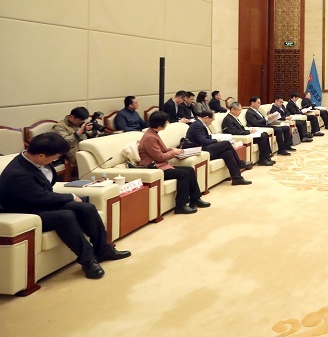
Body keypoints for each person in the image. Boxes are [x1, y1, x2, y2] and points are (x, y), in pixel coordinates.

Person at [0, 132, 131, 279]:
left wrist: (70, 198)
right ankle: (88, 260)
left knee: (87, 208)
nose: (56, 160)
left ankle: (103, 249)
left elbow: (44, 192)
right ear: (41, 155)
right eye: (55, 157)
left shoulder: (36, 160)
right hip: (25, 211)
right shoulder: (17, 173)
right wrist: (70, 196)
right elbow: (40, 197)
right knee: (65, 216)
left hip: (40, 203)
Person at [139, 111, 210, 214]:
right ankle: (181, 205)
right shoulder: (150, 137)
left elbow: (161, 150)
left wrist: (171, 149)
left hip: (162, 165)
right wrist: (173, 152)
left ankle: (195, 199)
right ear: (160, 123)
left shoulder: (153, 133)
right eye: (166, 121)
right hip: (155, 168)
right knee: (183, 174)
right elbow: (159, 157)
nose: (167, 123)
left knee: (190, 170)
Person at [187, 111, 253, 185]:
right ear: (206, 118)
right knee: (226, 143)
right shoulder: (197, 125)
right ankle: (239, 163)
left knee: (228, 153)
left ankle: (237, 178)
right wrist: (216, 140)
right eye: (212, 119)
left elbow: (206, 137)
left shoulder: (199, 124)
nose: (212, 122)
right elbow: (203, 141)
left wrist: (214, 137)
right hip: (201, 150)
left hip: (205, 147)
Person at [223, 102, 275, 166]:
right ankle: (263, 159)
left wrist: (250, 130)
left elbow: (241, 129)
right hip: (241, 138)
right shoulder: (228, 119)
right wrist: (249, 132)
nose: (240, 112)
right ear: (232, 110)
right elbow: (234, 132)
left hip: (245, 135)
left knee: (264, 134)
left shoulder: (234, 117)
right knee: (263, 136)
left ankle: (266, 157)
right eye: (239, 110)